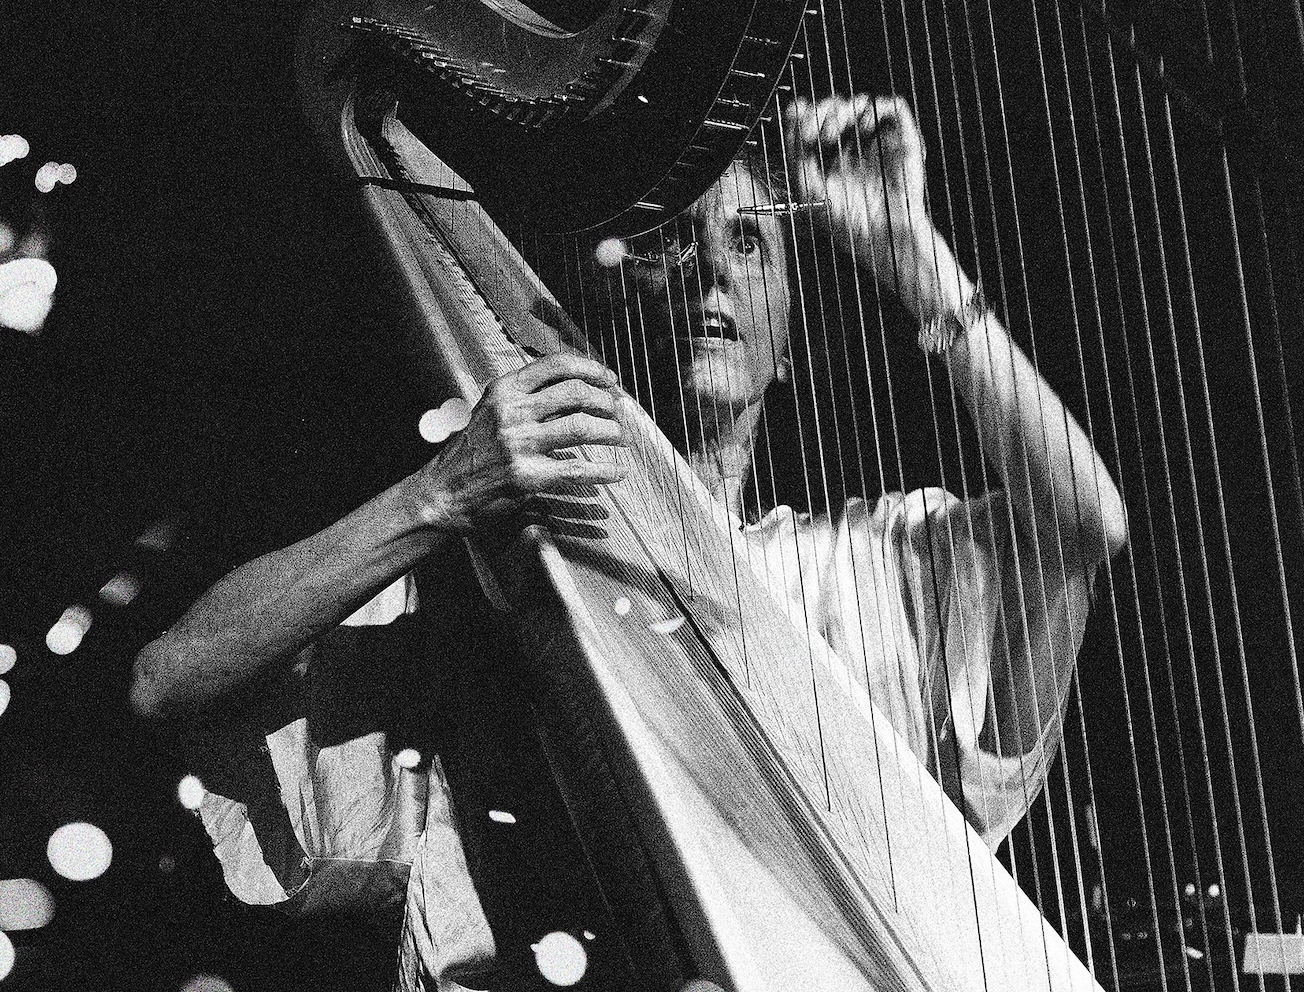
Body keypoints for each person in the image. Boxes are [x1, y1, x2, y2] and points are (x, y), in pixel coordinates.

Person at [130, 94, 1128, 991]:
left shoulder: (856, 566)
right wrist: (434, 496)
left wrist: (909, 251)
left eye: (749, 244)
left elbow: (1081, 525)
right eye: (671, 242)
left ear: (787, 346)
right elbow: (172, 676)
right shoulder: (504, 580)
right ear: (602, 310)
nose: (708, 275)